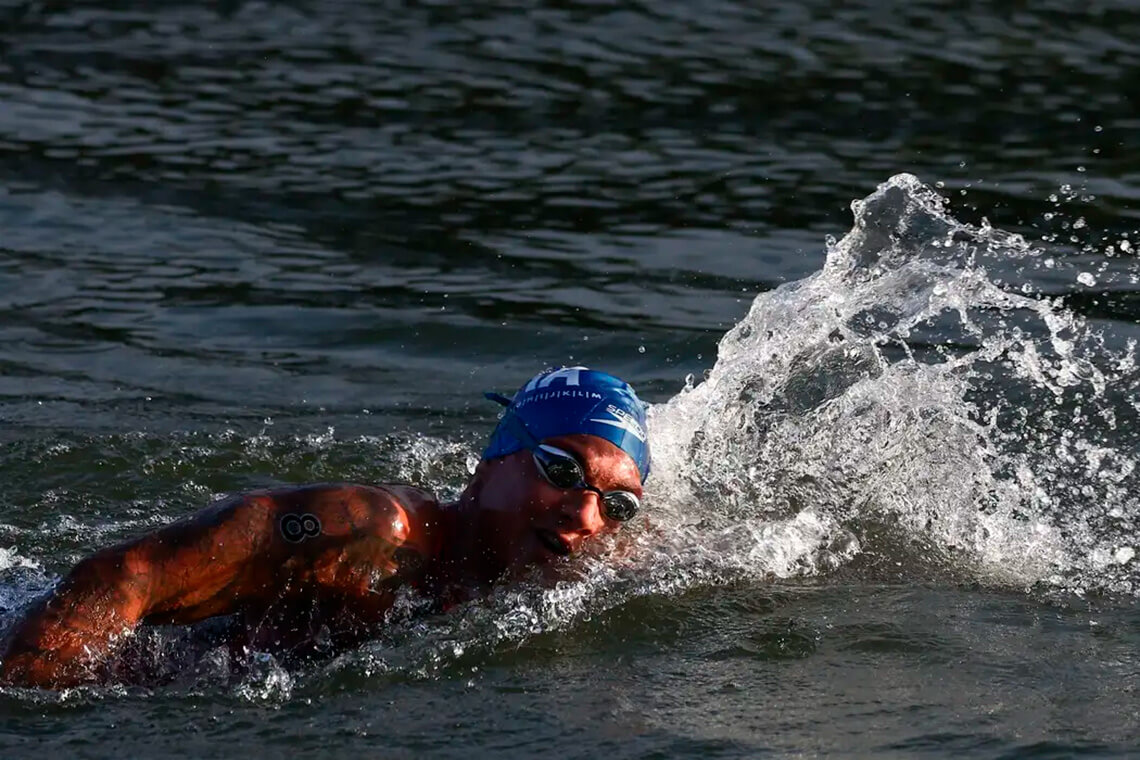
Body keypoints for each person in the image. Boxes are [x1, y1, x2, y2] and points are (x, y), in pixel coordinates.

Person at [0, 367, 650, 689]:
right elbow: (128, 576)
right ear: (488, 466)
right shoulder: (371, 532)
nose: (585, 514)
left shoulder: (588, 567)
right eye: (561, 469)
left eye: (616, 503)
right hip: (112, 673)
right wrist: (26, 698)